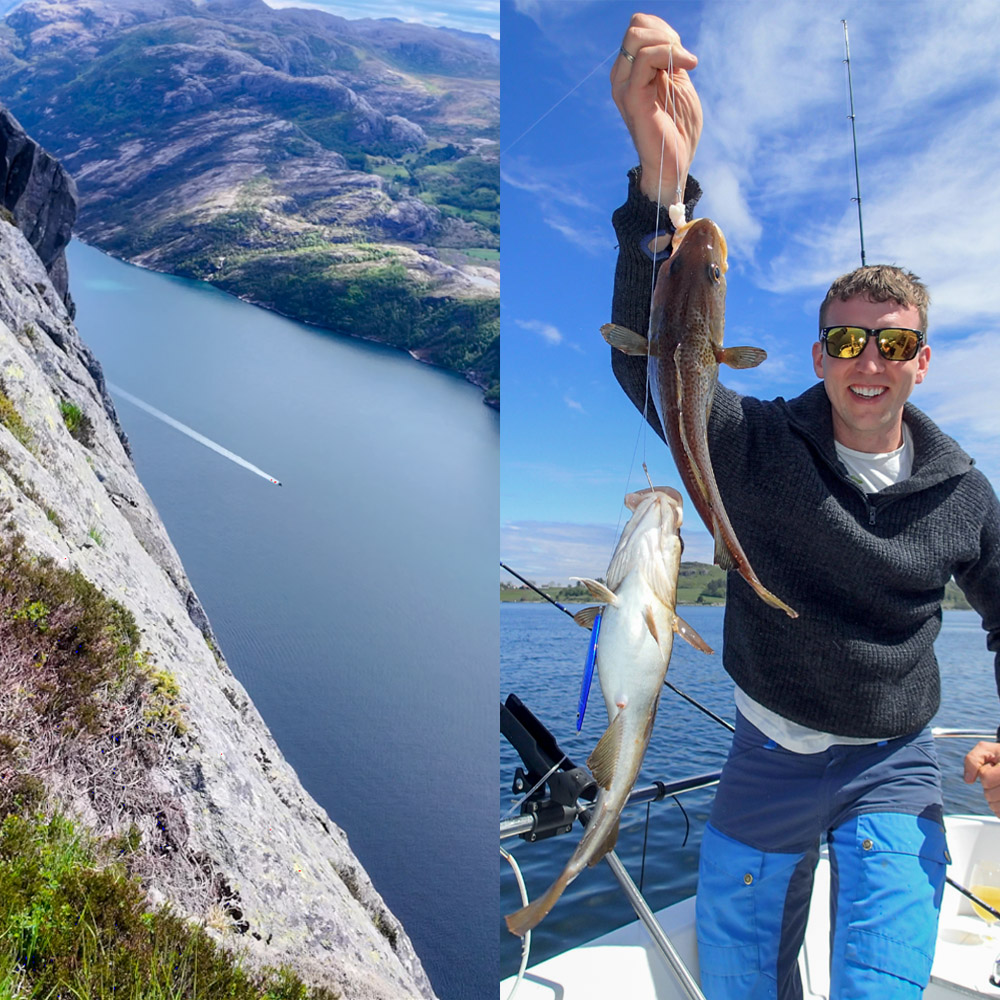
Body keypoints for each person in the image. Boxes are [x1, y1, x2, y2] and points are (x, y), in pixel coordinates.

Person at [609, 12, 1000, 1000]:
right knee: (740, 988)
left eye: (893, 343)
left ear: (922, 360)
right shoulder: (757, 447)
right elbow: (658, 368)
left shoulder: (962, 494)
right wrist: (660, 185)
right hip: (762, 756)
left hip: (895, 767)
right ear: (818, 351)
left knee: (882, 985)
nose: (868, 362)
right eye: (845, 340)